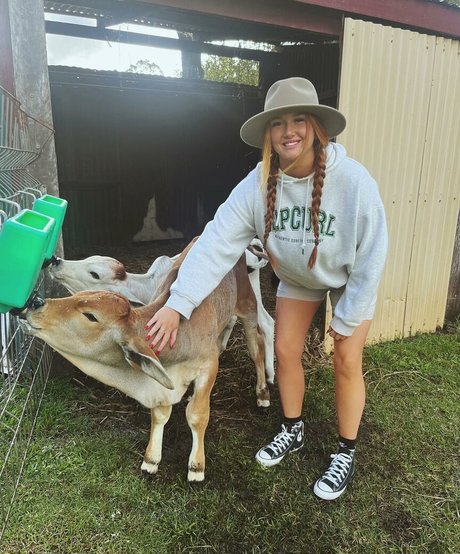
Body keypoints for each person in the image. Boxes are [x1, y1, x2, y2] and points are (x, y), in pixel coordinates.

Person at [145, 77, 388, 501]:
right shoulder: (257, 185)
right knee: (286, 351)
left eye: (298, 120)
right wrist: (177, 304)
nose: (288, 131)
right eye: (278, 123)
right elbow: (216, 242)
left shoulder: (353, 182)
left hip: (349, 276)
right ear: (268, 134)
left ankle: (345, 450)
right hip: (298, 278)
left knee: (346, 359)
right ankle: (293, 429)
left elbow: (373, 251)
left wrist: (348, 315)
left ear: (316, 127)